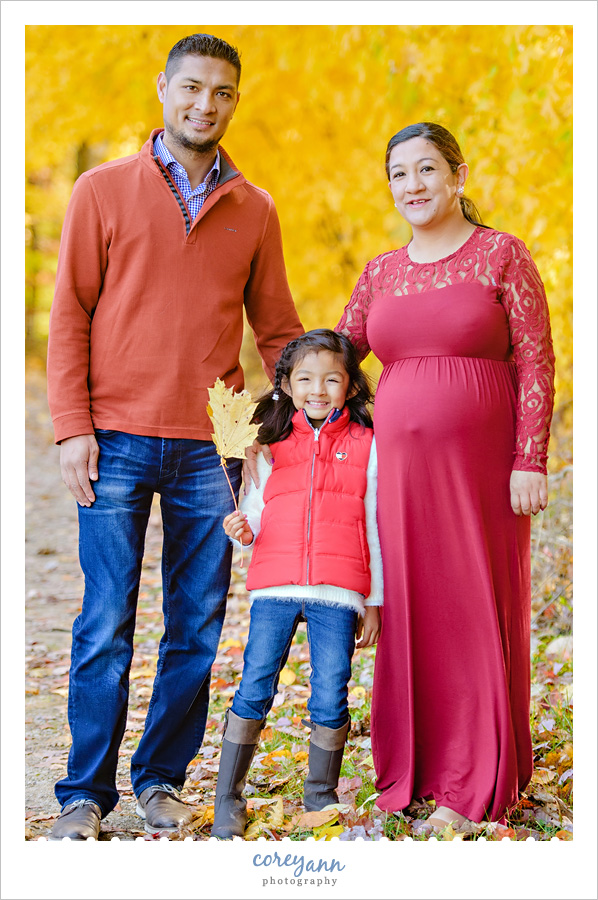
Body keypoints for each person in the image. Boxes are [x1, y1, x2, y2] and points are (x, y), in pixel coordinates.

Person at [45, 33, 303, 840]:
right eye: (191, 88)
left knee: (195, 624)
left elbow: (279, 333)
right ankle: (83, 795)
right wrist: (69, 428)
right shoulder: (102, 189)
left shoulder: (254, 209)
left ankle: (161, 779)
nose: (205, 104)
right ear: (163, 90)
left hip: (213, 447)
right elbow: (69, 317)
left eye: (222, 92)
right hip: (114, 438)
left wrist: (299, 422)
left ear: (235, 101)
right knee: (104, 622)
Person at [335, 123, 555, 830]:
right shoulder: (380, 271)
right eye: (399, 174)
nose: (414, 186)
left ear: (459, 175)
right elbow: (337, 358)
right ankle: (422, 769)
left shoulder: (502, 255)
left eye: (427, 169)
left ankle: (474, 783)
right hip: (398, 478)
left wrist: (530, 458)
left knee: (471, 608)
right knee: (413, 611)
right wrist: (277, 417)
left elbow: (536, 361)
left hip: (484, 473)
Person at [209, 330, 383, 839]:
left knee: (331, 692)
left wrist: (373, 601)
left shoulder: (368, 443)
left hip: (338, 589)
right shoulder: (268, 443)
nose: (318, 388)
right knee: (255, 684)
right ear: (285, 383)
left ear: (350, 387)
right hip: (276, 585)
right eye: (305, 378)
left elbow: (373, 519)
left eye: (332, 378)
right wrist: (243, 529)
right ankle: (228, 798)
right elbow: (258, 512)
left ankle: (320, 797)